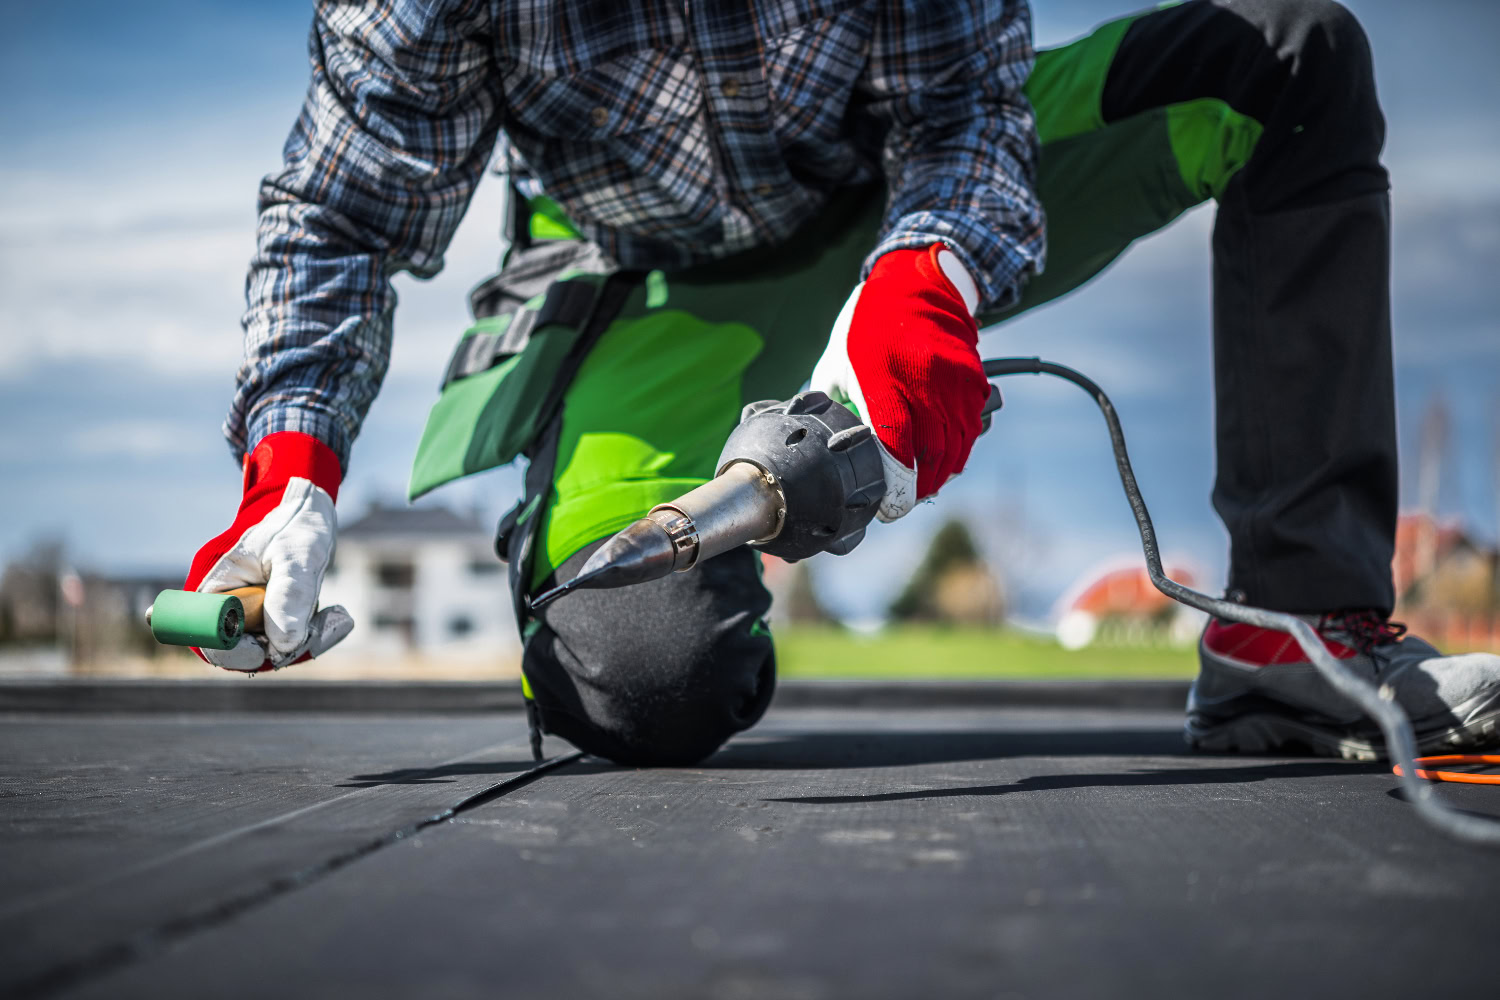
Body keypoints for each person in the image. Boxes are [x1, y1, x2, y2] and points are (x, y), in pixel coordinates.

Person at [185, 0, 1500, 765]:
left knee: (1277, 60)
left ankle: (1292, 628)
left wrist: (931, 270)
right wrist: (289, 475)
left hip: (898, 207)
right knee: (640, 673)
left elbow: (970, 116)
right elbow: (338, 220)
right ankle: (588, 609)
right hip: (648, 285)